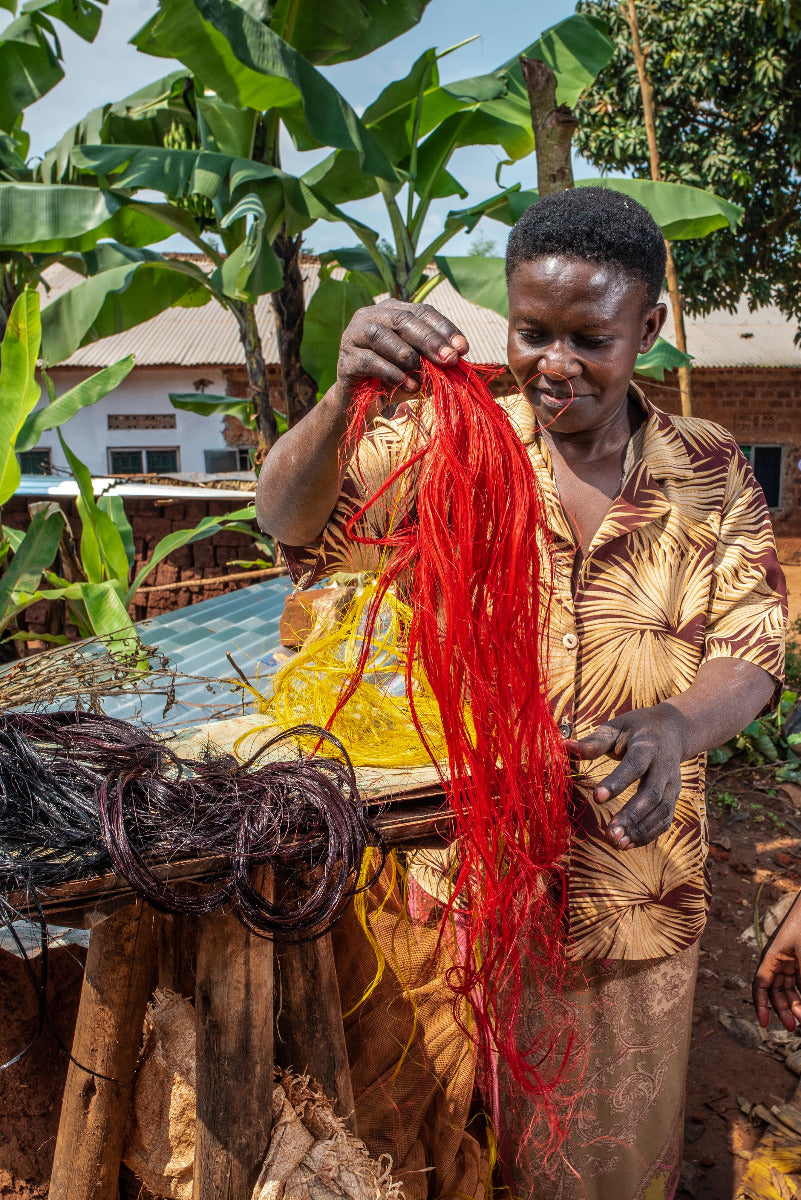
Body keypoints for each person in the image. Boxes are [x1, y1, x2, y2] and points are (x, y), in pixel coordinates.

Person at [257, 187, 787, 1200]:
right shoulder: (451, 446)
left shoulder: (712, 467)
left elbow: (753, 651)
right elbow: (291, 522)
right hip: (471, 890)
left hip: (638, 888)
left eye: (590, 338)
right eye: (531, 332)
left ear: (649, 329)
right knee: (455, 1142)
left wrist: (675, 725)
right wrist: (339, 398)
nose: (554, 364)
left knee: (613, 1160)